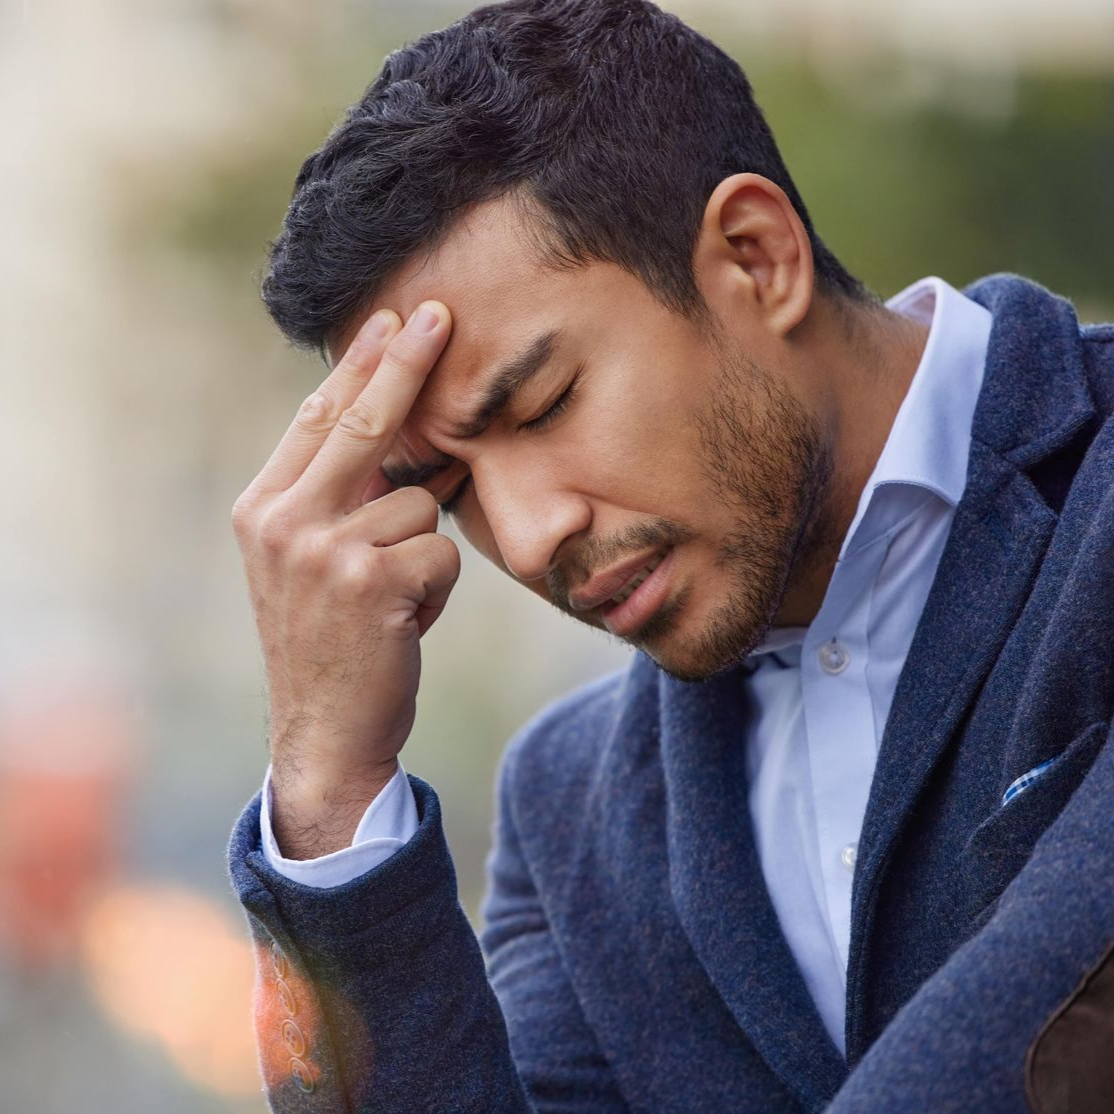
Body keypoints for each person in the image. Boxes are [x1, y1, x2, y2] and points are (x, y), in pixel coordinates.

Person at [227, 1, 1114, 1111]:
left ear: (757, 256)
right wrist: (327, 790)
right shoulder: (573, 810)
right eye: (447, 490)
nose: (526, 533)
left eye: (545, 403)